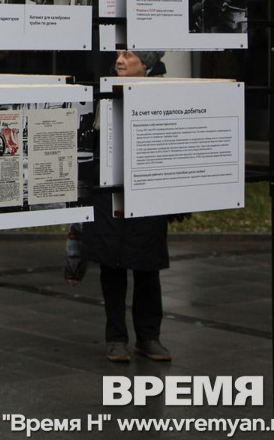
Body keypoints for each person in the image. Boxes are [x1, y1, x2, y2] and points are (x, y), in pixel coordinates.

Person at [83, 49, 173, 363]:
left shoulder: (165, 94)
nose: (120, 60)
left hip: (148, 189)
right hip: (108, 191)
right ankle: (116, 338)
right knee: (112, 265)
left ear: (145, 64)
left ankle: (149, 337)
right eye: (119, 54)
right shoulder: (102, 92)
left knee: (147, 266)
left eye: (129, 54)